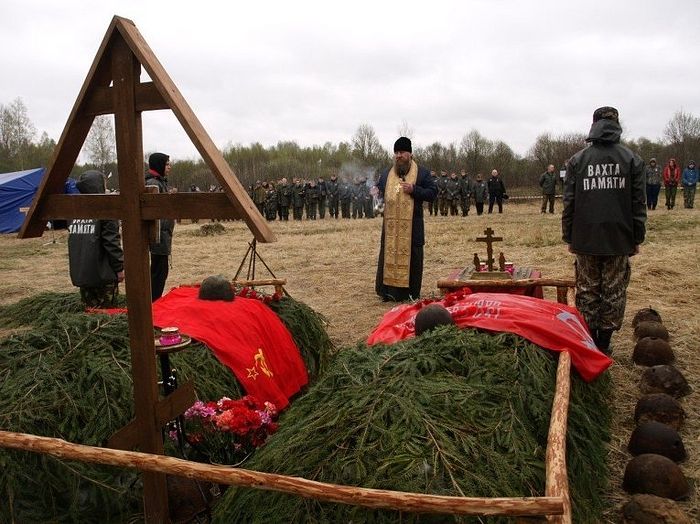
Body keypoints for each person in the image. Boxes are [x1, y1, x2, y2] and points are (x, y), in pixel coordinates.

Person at [562, 106, 646, 354]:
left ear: (594, 124)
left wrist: (569, 236)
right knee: (613, 290)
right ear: (617, 124)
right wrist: (637, 237)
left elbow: (569, 204)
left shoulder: (578, 160)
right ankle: (603, 344)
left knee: (587, 290)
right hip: (619, 238)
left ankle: (590, 342)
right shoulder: (632, 159)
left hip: (586, 238)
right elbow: (638, 204)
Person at [375, 137, 437, 302]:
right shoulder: (387, 173)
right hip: (390, 228)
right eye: (396, 152)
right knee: (388, 255)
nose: (398, 155)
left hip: (413, 228)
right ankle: (387, 293)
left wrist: (414, 189)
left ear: (410, 154)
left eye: (402, 152)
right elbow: (379, 189)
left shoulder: (422, 173)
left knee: (413, 260)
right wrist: (375, 191)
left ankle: (409, 294)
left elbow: (432, 193)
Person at [68, 170, 124, 307]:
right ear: (98, 185)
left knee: (89, 312)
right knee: (106, 316)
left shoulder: (74, 209)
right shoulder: (106, 209)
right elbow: (111, 242)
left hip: (83, 273)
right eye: (104, 183)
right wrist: (119, 268)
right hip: (103, 276)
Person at [145, 152, 175, 301]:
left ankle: (155, 301)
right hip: (158, 236)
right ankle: (154, 303)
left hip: (162, 234)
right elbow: (154, 213)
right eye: (167, 164)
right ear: (159, 165)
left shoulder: (160, 182)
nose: (169, 167)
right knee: (159, 272)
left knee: (160, 271)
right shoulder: (154, 183)